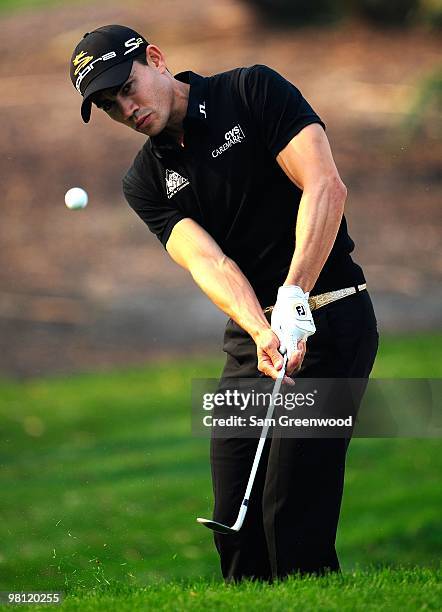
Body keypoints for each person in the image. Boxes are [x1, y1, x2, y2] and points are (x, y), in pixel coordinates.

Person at [69, 24, 378, 581]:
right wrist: (262, 330)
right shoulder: (145, 179)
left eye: (128, 88)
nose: (126, 109)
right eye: (110, 106)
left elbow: (325, 186)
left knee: (292, 515)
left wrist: (293, 298)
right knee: (235, 524)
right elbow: (208, 261)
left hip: (330, 317)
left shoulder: (252, 92)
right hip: (252, 341)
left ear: (156, 59)